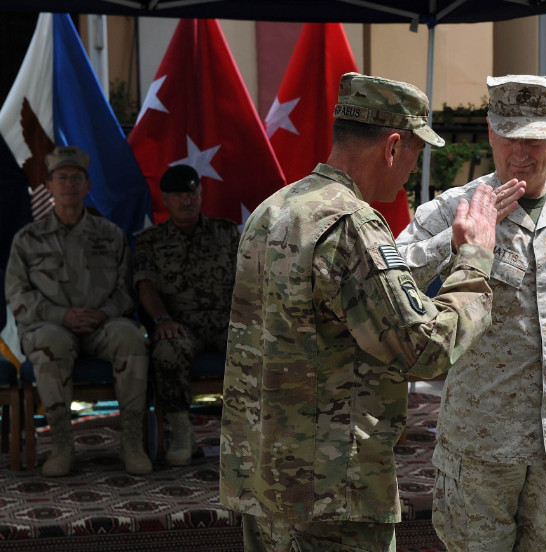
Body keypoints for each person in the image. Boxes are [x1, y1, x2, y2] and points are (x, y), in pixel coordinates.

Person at [219, 72, 502, 552]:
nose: (413, 168)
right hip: (334, 493)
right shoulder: (351, 225)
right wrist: (475, 257)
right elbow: (424, 349)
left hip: (262, 480)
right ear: (393, 146)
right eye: (416, 151)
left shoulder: (273, 209)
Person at [397, 74, 546, 552]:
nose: (519, 153)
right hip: (480, 447)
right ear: (489, 131)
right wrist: (456, 240)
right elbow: (391, 280)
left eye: (534, 139)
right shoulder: (453, 208)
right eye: (508, 136)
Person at [5, 145, 152, 477]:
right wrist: (62, 316)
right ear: (49, 187)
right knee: (49, 344)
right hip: (49, 325)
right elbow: (17, 294)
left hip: (102, 324)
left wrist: (102, 313)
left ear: (87, 186)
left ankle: (131, 442)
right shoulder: (28, 239)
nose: (69, 184)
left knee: (130, 336)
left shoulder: (110, 235)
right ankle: (61, 445)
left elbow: (126, 291)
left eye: (76, 178)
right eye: (61, 177)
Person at [133, 164, 240, 466]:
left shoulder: (227, 232)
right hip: (181, 325)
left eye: (192, 193)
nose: (187, 201)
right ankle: (181, 431)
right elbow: (145, 285)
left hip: (225, 322)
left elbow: (251, 279)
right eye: (178, 195)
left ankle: (252, 431)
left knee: (259, 345)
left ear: (201, 193)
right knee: (167, 351)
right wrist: (162, 320)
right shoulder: (150, 240)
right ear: (165, 199)